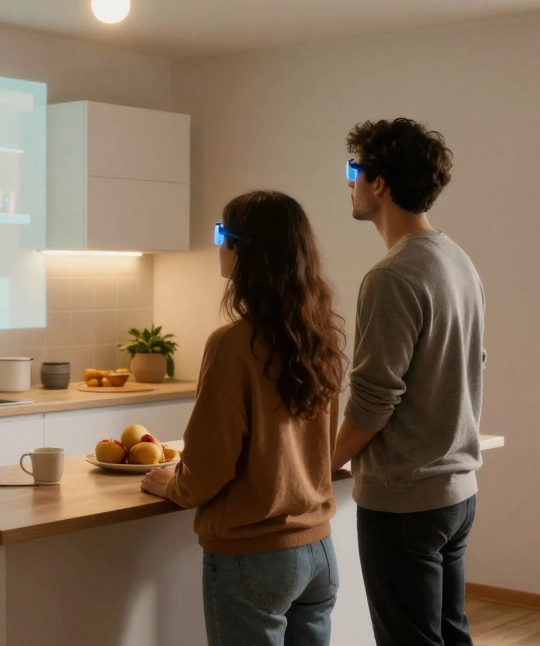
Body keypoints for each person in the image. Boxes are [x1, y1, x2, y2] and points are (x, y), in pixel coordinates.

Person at [141, 190, 348, 646]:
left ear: (242, 249)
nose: (218, 244)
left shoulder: (232, 344)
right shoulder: (320, 338)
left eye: (221, 233)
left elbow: (211, 462)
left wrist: (174, 484)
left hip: (253, 558)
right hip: (318, 550)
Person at [331, 118, 486, 646]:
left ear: (379, 183)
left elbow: (374, 399)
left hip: (404, 500)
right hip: (456, 492)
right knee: (449, 637)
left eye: (354, 171)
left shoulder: (392, 275)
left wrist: (321, 462)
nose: (348, 182)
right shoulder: (457, 260)